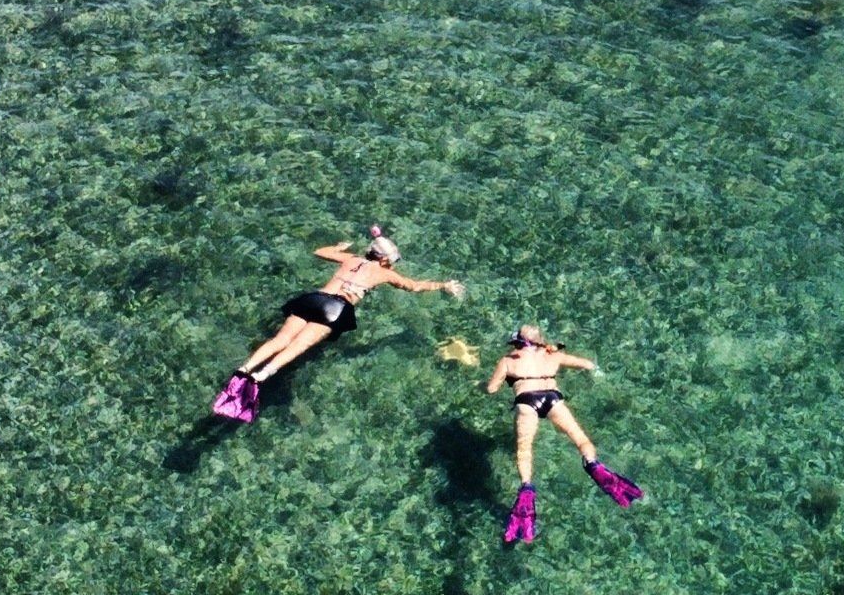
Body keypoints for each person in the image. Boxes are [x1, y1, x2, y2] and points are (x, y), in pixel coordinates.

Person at [207, 227, 465, 422]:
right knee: (297, 347)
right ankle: (262, 376)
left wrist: (340, 246)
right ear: (385, 260)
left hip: (315, 298)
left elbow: (319, 252)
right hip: (336, 308)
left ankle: (244, 369)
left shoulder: (351, 259)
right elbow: (415, 286)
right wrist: (444, 285)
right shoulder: (386, 273)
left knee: (279, 340)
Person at [483, 325, 641, 544]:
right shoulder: (552, 355)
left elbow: (491, 389)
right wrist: (598, 375)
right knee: (581, 438)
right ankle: (593, 464)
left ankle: (527, 487)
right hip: (553, 398)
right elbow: (587, 364)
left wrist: (484, 385)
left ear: (518, 342)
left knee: (524, 449)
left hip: (527, 401)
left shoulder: (509, 360)